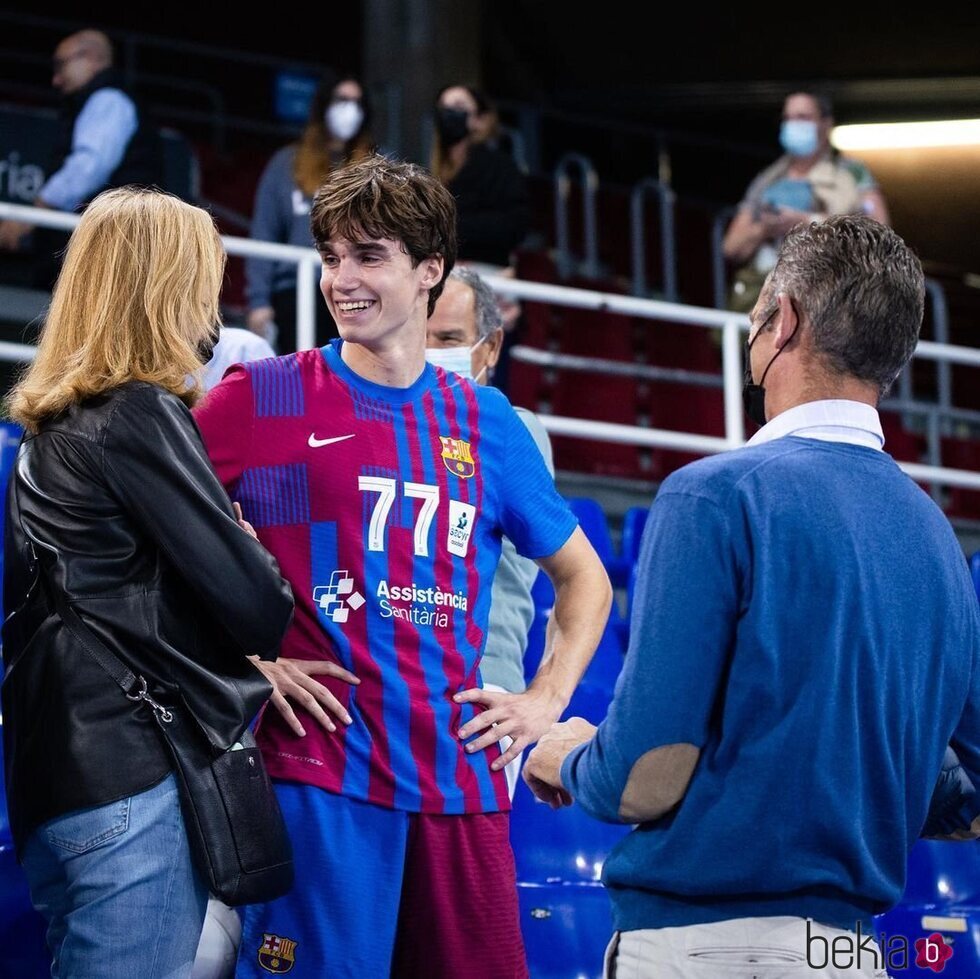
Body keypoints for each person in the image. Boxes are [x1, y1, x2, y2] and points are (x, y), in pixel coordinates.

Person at [523, 215, 980, 978]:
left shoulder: (713, 495)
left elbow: (645, 773)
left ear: (784, 320)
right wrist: (872, 777)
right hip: (853, 951)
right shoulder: (939, 537)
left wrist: (569, 758)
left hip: (704, 946)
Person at [194, 153, 612, 979]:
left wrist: (546, 698)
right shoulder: (262, 395)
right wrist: (243, 664)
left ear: (431, 270)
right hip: (320, 777)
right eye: (331, 256)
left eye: (369, 256)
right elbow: (145, 533)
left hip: (460, 786)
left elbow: (585, 578)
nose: (342, 279)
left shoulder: (487, 422)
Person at [0, 186, 294, 979]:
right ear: (166, 288)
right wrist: (241, 533)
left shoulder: (51, 427)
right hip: (132, 777)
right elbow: (261, 608)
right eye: (205, 280)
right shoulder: (138, 413)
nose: (213, 305)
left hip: (61, 782)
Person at [425, 265, 555, 798]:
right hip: (389, 686)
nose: (431, 351)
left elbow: (580, 581)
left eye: (449, 339)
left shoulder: (514, 429)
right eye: (421, 336)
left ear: (491, 346)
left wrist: (543, 698)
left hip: (482, 698)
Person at [0, 30, 163, 287]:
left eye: (60, 65)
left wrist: (31, 215)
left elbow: (88, 168)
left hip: (108, 248)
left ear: (90, 58)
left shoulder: (109, 99)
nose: (55, 79)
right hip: (98, 245)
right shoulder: (97, 100)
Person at [722, 91, 890, 314]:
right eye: (788, 118)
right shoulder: (768, 180)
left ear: (826, 124)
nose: (793, 125)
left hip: (832, 295)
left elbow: (880, 231)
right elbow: (731, 246)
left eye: (802, 117)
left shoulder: (852, 174)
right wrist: (765, 228)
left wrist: (808, 221)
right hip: (770, 296)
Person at [245, 71, 376, 353]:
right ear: (323, 105)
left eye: (357, 102)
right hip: (294, 289)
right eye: (342, 100)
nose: (349, 109)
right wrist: (258, 302)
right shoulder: (286, 163)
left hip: (357, 287)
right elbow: (263, 233)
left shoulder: (377, 168)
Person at [430, 83, 531, 269]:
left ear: (479, 119)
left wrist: (446, 226)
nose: (449, 113)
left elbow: (514, 225)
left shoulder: (500, 166)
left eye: (459, 106)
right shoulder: (431, 170)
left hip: (484, 270)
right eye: (443, 108)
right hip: (441, 269)